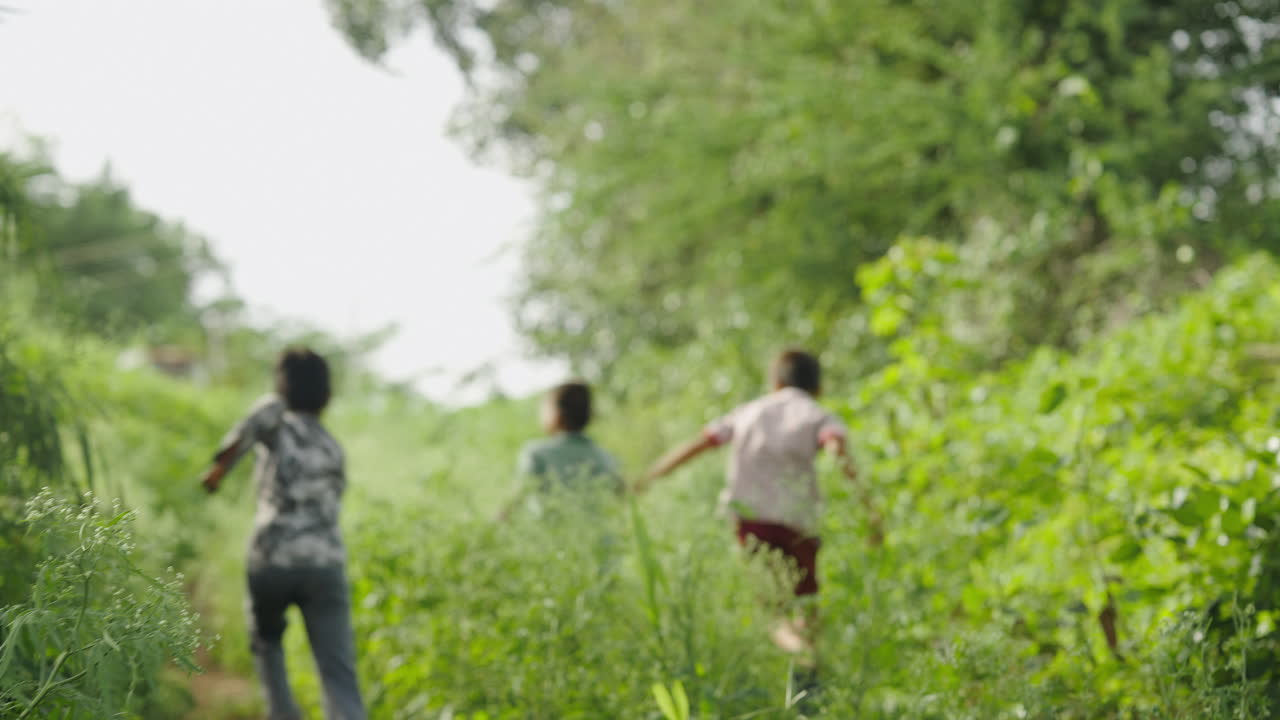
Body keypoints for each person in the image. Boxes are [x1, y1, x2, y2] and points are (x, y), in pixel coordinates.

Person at [636, 349, 882, 657]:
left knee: (773, 609)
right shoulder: (818, 415)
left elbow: (698, 445)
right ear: (818, 388)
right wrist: (868, 509)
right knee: (807, 605)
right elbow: (836, 448)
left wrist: (649, 478)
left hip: (751, 522)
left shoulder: (747, 412)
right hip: (799, 524)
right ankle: (808, 657)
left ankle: (798, 654)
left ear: (775, 383)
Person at [200, 348, 365, 720]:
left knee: (268, 642)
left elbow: (253, 423)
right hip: (324, 563)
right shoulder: (333, 448)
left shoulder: (274, 426)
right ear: (327, 396)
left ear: (282, 389)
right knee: (337, 669)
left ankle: (282, 713)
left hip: (271, 558)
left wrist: (217, 471)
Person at [499, 381, 622, 520]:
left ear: (556, 414)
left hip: (552, 531)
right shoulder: (605, 455)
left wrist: (494, 525)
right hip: (598, 532)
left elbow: (516, 499)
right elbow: (624, 494)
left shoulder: (536, 454)